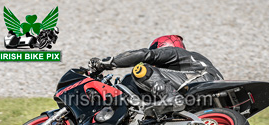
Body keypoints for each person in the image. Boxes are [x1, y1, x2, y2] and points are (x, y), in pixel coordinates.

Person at [89, 35, 223, 116]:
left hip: (199, 82)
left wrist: (108, 63)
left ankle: (171, 98)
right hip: (212, 93)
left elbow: (144, 55)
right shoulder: (192, 61)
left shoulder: (174, 52)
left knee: (140, 69)